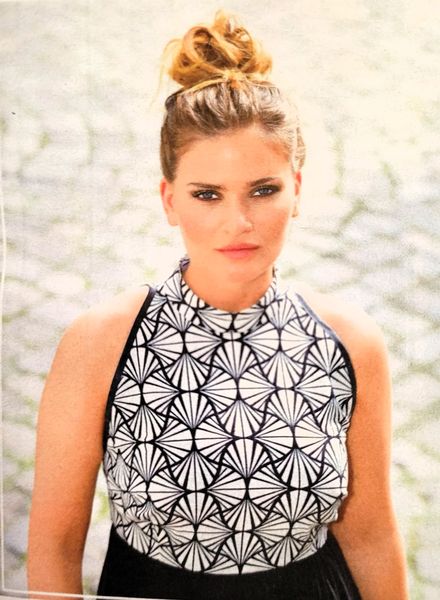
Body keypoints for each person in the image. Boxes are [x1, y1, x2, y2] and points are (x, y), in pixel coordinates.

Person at [27, 8, 409, 600]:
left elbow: (370, 536)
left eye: (263, 190)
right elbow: (54, 548)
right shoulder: (100, 343)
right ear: (169, 200)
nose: (239, 222)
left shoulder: (352, 344)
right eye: (207, 194)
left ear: (297, 190)